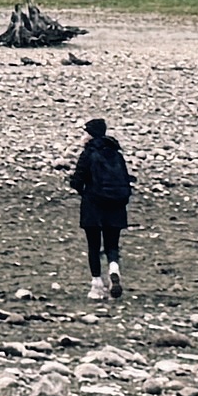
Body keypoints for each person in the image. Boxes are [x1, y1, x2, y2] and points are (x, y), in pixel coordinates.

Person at [65, 117, 135, 305]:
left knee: (93, 246)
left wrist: (81, 189)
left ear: (90, 135)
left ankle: (97, 285)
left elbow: (78, 180)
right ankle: (113, 269)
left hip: (93, 206)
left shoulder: (88, 154)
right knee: (112, 245)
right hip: (116, 206)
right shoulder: (116, 153)